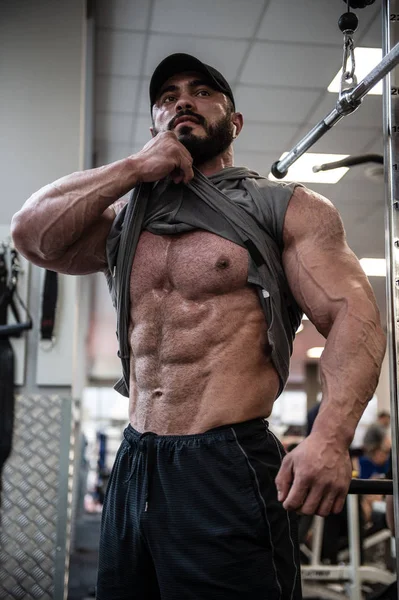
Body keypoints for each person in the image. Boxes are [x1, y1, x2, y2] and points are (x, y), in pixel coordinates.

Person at [10, 53, 386, 599]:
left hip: (225, 460)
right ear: (154, 124)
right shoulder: (126, 218)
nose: (182, 100)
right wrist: (134, 168)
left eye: (202, 91)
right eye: (167, 97)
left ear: (233, 123)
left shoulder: (286, 208)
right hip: (136, 458)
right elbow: (30, 235)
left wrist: (331, 436)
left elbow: (355, 316)